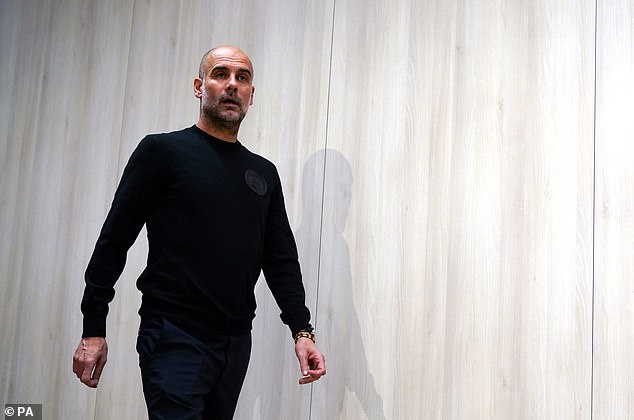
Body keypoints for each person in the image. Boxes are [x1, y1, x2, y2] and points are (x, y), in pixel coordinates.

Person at [72, 45, 326, 419]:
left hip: (236, 343)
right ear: (199, 86)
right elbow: (113, 241)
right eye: (220, 74)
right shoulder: (162, 152)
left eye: (242, 78)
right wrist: (94, 327)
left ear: (251, 95)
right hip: (174, 335)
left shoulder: (264, 173)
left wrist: (302, 331)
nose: (231, 85)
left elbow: (280, 259)